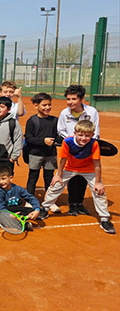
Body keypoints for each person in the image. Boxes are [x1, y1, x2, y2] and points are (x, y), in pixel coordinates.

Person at [41, 120, 115, 234]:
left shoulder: (94, 144)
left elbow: (97, 164)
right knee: (55, 185)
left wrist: (98, 182)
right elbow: (63, 160)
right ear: (75, 133)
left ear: (93, 135)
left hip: (88, 169)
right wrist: (59, 175)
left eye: (87, 135)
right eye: (80, 135)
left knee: (99, 191)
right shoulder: (68, 141)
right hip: (69, 168)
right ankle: (45, 208)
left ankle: (104, 218)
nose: (83, 138)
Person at [57, 85, 100, 216]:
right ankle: (72, 204)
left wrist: (88, 144)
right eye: (68, 99)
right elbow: (60, 130)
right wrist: (71, 142)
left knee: (82, 177)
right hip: (71, 149)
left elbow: (96, 131)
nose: (70, 102)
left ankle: (80, 204)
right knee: (72, 176)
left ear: (82, 99)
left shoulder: (92, 112)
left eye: (74, 99)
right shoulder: (64, 113)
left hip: (87, 149)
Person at [25, 93, 60, 199]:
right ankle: (29, 200)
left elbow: (58, 137)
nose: (47, 107)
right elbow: (28, 138)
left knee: (49, 177)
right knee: (33, 177)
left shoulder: (55, 120)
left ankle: (50, 200)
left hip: (50, 154)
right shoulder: (32, 121)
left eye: (49, 105)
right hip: (35, 154)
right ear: (36, 106)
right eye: (44, 105)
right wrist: (43, 141)